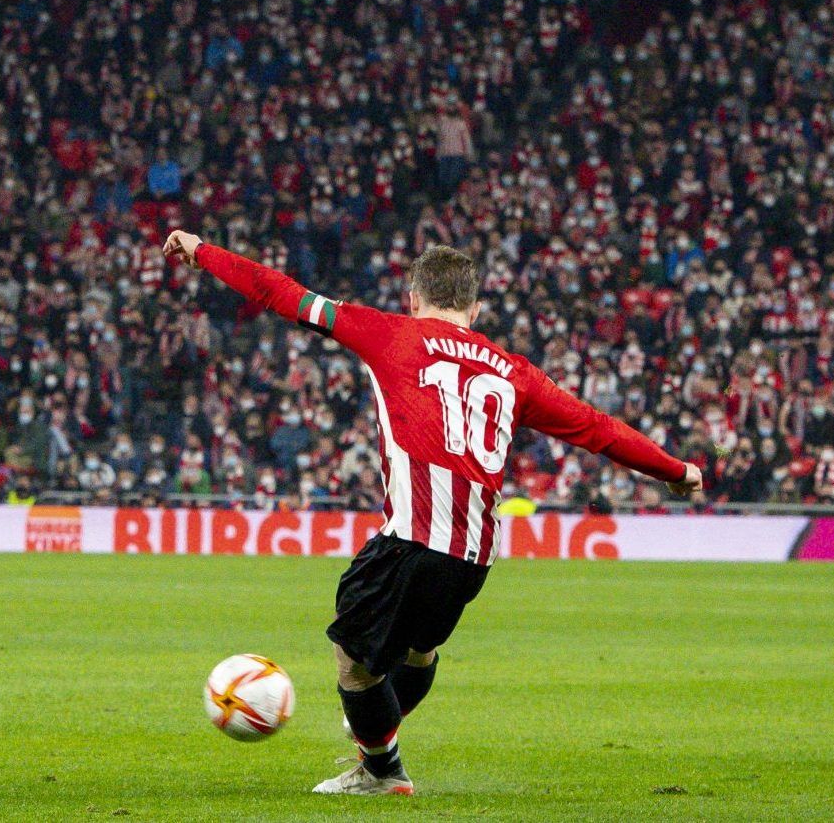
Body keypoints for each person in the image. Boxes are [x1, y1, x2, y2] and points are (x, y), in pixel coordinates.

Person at [162, 231, 702, 796]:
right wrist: (675, 469)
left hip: (411, 538)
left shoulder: (391, 332)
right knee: (419, 648)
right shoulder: (514, 372)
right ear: (475, 309)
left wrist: (203, 252)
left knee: (354, 663)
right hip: (473, 557)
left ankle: (382, 769)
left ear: (412, 299)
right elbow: (598, 429)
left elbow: (283, 293)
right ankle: (377, 728)